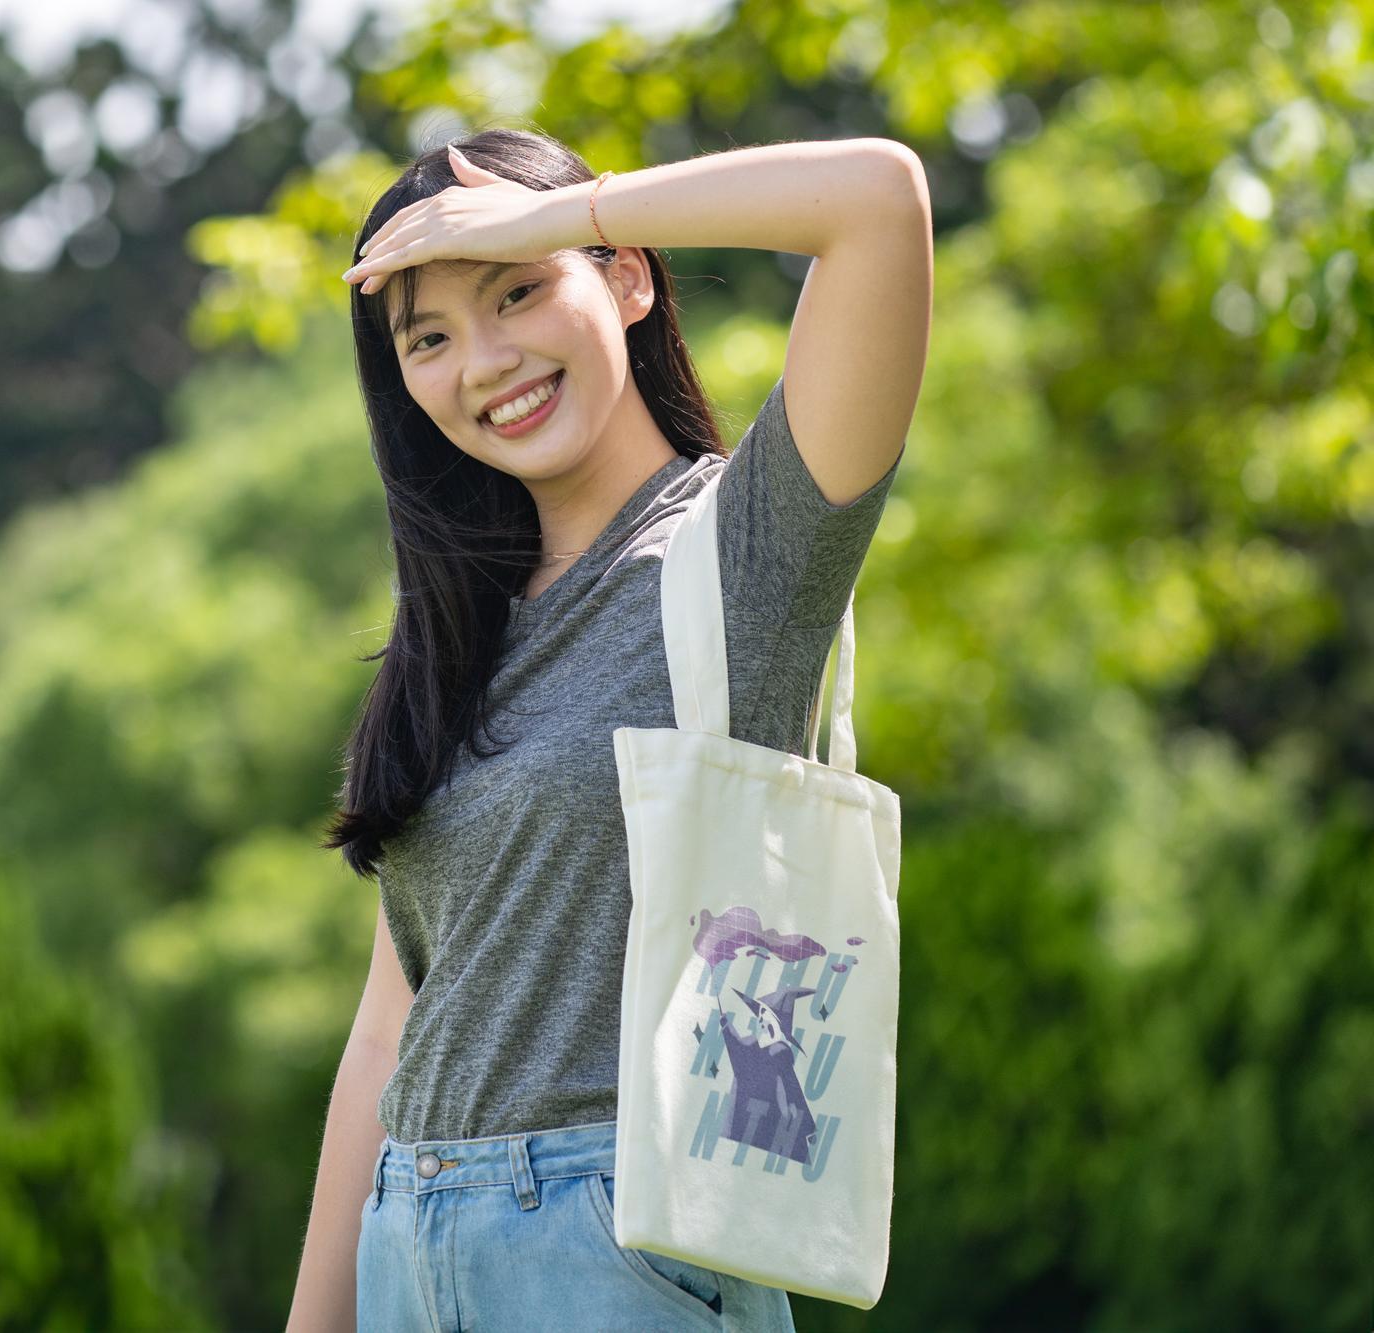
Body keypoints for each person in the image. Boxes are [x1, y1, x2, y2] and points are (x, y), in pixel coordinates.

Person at [286, 125, 930, 1331]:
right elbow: (390, 1033)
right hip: (403, 1244)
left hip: (607, 1253)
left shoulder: (743, 551)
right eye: (426, 338)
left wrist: (552, 214)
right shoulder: (455, 637)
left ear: (628, 276)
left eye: (516, 295)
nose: (481, 363)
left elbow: (878, 201)